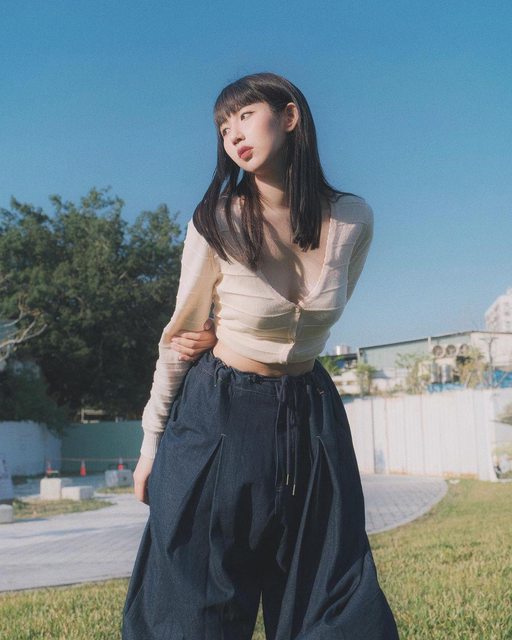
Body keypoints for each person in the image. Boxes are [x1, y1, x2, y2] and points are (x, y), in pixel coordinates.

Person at [122, 72, 400, 639]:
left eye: (245, 115)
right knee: (195, 600)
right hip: (219, 410)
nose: (233, 135)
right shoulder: (215, 222)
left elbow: (319, 318)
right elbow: (178, 338)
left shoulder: (354, 219)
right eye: (223, 127)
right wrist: (151, 444)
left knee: (333, 593)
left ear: (290, 116)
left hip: (311, 411)